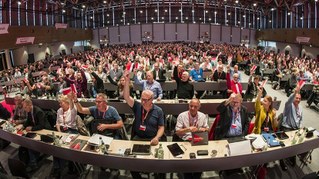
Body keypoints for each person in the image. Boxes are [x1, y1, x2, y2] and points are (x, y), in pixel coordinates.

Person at [123, 71, 165, 179]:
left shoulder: (158, 111)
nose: (143, 101)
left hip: (152, 139)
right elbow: (126, 97)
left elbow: (161, 127)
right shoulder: (138, 106)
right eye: (142, 99)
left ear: (152, 99)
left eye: (146, 100)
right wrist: (127, 81)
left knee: (160, 163)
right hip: (138, 138)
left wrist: (157, 137)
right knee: (132, 164)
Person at [15, 97, 51, 172]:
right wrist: (23, 126)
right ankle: (31, 161)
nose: (24, 109)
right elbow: (28, 121)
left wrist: (32, 128)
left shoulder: (38, 111)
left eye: (25, 107)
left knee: (31, 144)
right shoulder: (29, 111)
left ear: (29, 105)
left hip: (45, 131)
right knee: (27, 142)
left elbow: (42, 125)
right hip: (37, 130)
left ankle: (33, 164)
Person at [52, 94, 78, 178]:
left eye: (61, 103)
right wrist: (59, 131)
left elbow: (72, 105)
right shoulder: (59, 110)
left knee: (62, 147)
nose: (60, 105)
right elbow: (57, 123)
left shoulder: (72, 110)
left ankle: (61, 169)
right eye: (59, 103)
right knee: (55, 146)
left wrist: (71, 99)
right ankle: (56, 167)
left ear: (67, 103)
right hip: (62, 131)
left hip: (72, 131)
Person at [280, 83, 303, 170]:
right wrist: (294, 93)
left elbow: (301, 119)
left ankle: (292, 155)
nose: (298, 100)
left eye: (299, 98)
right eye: (296, 98)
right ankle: (281, 159)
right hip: (287, 127)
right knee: (287, 144)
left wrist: (300, 127)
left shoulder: (300, 108)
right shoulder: (289, 106)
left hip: (296, 128)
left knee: (298, 142)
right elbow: (288, 101)